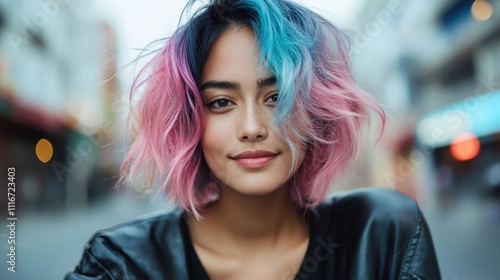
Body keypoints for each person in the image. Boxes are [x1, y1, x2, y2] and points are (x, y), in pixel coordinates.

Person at [65, 0, 441, 279]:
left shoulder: (383, 234)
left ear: (317, 108)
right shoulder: (120, 265)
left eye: (277, 97)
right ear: (189, 121)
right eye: (221, 102)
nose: (252, 127)